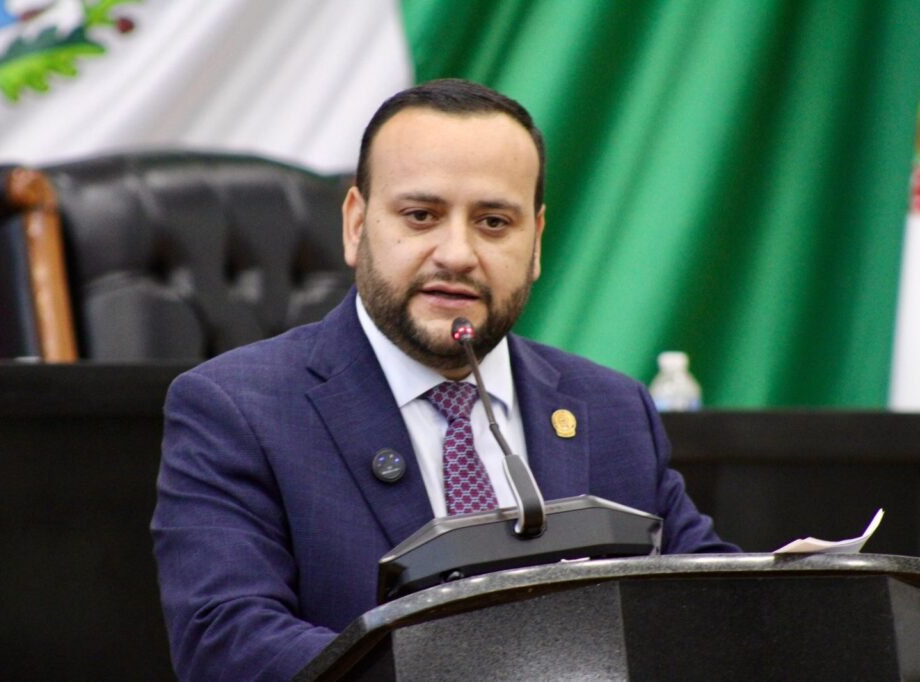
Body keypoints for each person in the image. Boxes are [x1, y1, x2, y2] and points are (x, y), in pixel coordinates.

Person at [151, 78, 737, 681]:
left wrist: (784, 586)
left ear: (536, 242)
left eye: (493, 222)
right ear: (356, 225)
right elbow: (227, 641)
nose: (457, 254)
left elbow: (708, 602)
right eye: (421, 216)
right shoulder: (237, 408)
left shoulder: (611, 408)